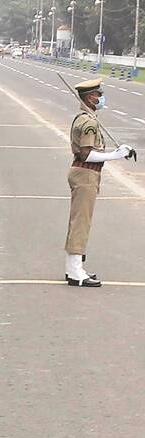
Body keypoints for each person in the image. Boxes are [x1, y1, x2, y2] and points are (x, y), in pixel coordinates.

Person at [65, 78, 134, 287]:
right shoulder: (88, 122)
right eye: (98, 94)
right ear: (89, 97)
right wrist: (116, 155)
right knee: (81, 223)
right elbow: (86, 154)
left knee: (79, 221)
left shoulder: (87, 118)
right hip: (85, 173)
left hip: (86, 174)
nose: (101, 98)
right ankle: (76, 272)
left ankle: (73, 268)